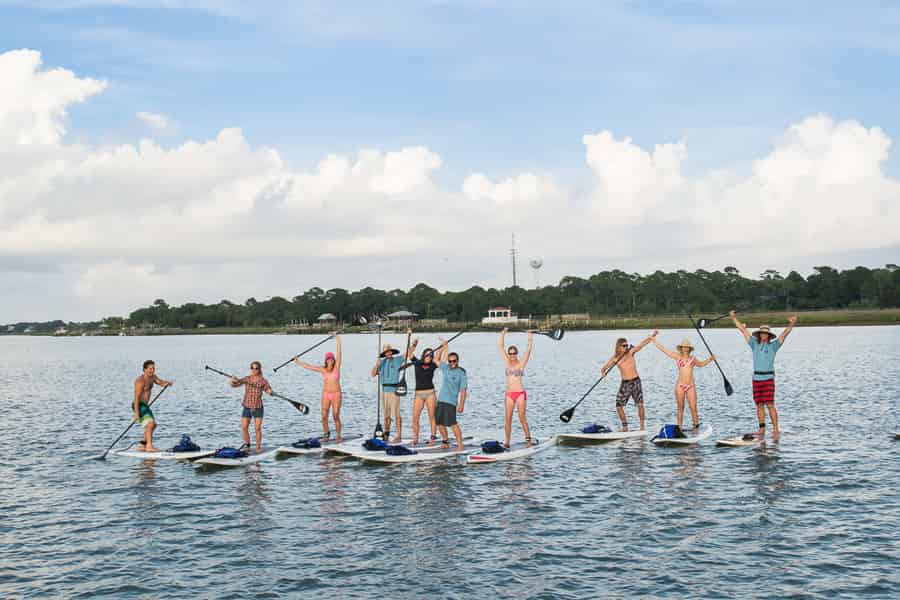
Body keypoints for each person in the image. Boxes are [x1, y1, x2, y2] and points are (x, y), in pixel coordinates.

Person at [730, 311, 797, 438]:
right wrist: (733, 318)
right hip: (756, 379)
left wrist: (792, 323)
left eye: (765, 333)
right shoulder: (754, 344)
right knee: (759, 405)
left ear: (769, 335)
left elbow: (784, 334)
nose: (763, 335)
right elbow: (743, 331)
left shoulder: (774, 346)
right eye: (762, 333)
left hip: (768, 379)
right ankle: (761, 429)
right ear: (759, 334)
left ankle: (776, 429)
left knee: (770, 404)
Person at [652, 337, 715, 430]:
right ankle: (679, 428)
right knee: (680, 408)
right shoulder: (677, 356)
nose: (685, 348)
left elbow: (701, 364)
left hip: (691, 386)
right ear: (681, 348)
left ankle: (696, 428)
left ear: (689, 348)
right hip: (680, 386)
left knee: (693, 408)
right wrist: (654, 341)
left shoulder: (693, 358)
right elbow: (665, 350)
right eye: (684, 347)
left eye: (687, 347)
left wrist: (710, 359)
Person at [600, 331, 658, 431]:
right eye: (624, 346)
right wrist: (603, 372)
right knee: (619, 406)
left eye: (627, 345)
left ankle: (642, 427)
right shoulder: (615, 358)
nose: (626, 347)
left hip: (636, 381)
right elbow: (604, 368)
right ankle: (625, 426)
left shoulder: (631, 352)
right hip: (625, 383)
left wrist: (651, 337)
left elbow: (641, 345)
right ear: (619, 347)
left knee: (640, 404)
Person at [293, 333, 343, 442]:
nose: (330, 360)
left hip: (336, 394)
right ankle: (326, 434)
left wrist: (338, 339)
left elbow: (339, 353)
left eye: (331, 359)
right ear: (326, 360)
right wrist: (298, 361)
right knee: (324, 416)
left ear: (334, 360)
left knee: (335, 415)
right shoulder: (322, 369)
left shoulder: (337, 367)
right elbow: (309, 367)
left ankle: (338, 435)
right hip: (326, 394)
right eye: (328, 359)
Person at [371, 330, 411, 443]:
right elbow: (373, 374)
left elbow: (408, 353)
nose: (388, 353)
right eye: (386, 352)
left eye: (389, 351)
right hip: (384, 392)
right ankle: (386, 434)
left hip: (394, 391)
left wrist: (411, 340)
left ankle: (399, 435)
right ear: (384, 353)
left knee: (396, 414)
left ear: (391, 352)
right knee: (386, 415)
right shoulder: (381, 362)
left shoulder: (397, 360)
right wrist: (376, 365)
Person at [499, 328, 534, 447]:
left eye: (514, 353)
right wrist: (503, 333)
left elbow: (528, 350)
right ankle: (507, 442)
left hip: (520, 394)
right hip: (509, 394)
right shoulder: (507, 362)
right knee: (508, 419)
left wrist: (530, 337)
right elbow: (500, 347)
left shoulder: (521, 363)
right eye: (510, 353)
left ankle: (528, 440)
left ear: (516, 354)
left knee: (522, 418)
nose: (512, 355)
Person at [405, 337, 442, 446]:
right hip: (418, 394)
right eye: (427, 355)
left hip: (430, 393)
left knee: (432, 417)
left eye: (431, 355)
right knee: (415, 417)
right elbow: (409, 354)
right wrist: (414, 344)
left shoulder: (433, 365)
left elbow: (438, 356)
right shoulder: (417, 362)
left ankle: (433, 438)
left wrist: (443, 346)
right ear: (423, 355)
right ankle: (415, 439)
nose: (429, 357)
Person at [230, 361, 273, 453]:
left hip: (258, 407)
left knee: (257, 429)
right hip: (247, 406)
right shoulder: (247, 379)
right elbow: (235, 385)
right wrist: (232, 380)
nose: (254, 370)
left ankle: (258, 447)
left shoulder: (263, 381)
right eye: (252, 368)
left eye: (256, 368)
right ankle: (248, 446)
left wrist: (269, 391)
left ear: (259, 369)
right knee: (244, 427)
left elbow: (268, 389)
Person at [132, 360, 173, 452]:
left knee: (153, 425)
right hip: (139, 405)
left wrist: (167, 383)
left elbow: (160, 382)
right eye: (150, 369)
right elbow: (136, 398)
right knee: (151, 424)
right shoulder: (140, 381)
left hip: (145, 406)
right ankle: (149, 446)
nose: (152, 370)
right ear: (144, 369)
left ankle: (143, 445)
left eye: (153, 368)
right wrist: (136, 414)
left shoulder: (152, 377)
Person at [434, 338, 467, 450]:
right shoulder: (446, 368)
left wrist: (461, 405)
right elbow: (436, 359)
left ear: (457, 361)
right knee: (439, 423)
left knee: (452, 423)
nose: (452, 363)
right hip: (441, 399)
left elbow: (463, 391)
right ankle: (445, 442)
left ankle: (460, 445)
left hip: (451, 402)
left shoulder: (461, 373)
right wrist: (443, 347)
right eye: (450, 361)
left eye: (454, 361)